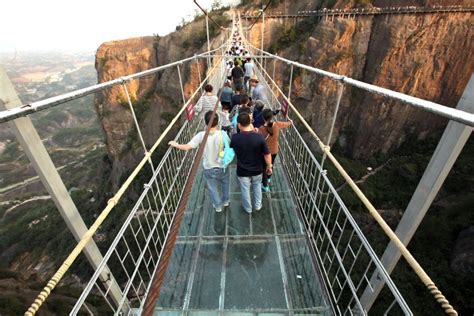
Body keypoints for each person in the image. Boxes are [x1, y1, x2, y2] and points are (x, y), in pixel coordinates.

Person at [169, 111, 230, 213]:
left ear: (206, 123)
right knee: (225, 183)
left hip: (209, 168)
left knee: (213, 188)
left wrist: (176, 144)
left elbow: (187, 147)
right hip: (222, 166)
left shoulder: (201, 135)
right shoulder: (223, 134)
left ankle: (218, 206)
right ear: (218, 122)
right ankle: (226, 201)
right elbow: (228, 145)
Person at [230, 112, 273, 213]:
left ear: (239, 124)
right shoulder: (259, 137)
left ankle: (248, 208)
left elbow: (232, 149)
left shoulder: (235, 138)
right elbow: (267, 154)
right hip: (257, 169)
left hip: (242, 170)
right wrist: (269, 167)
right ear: (250, 123)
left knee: (245, 189)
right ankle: (258, 205)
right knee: (257, 186)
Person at [258, 109, 293, 192]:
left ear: (263, 118)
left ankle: (265, 185)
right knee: (271, 165)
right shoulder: (277, 124)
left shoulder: (262, 129)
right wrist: (290, 122)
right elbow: (286, 124)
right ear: (272, 117)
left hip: (265, 152)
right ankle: (269, 178)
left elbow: (258, 140)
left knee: (264, 167)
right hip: (274, 151)